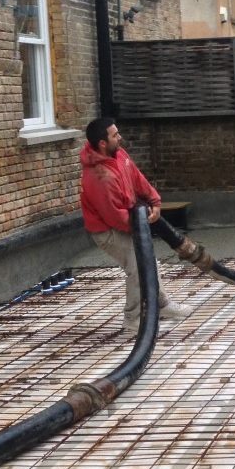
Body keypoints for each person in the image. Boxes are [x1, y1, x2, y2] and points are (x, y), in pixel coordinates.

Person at [81, 117, 209, 331]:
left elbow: (138, 179)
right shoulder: (99, 177)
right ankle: (133, 319)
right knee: (138, 267)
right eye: (115, 135)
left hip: (129, 221)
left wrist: (155, 202)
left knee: (148, 262)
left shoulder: (118, 154)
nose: (119, 137)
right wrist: (141, 226)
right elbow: (114, 217)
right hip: (108, 231)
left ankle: (161, 305)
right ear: (102, 143)